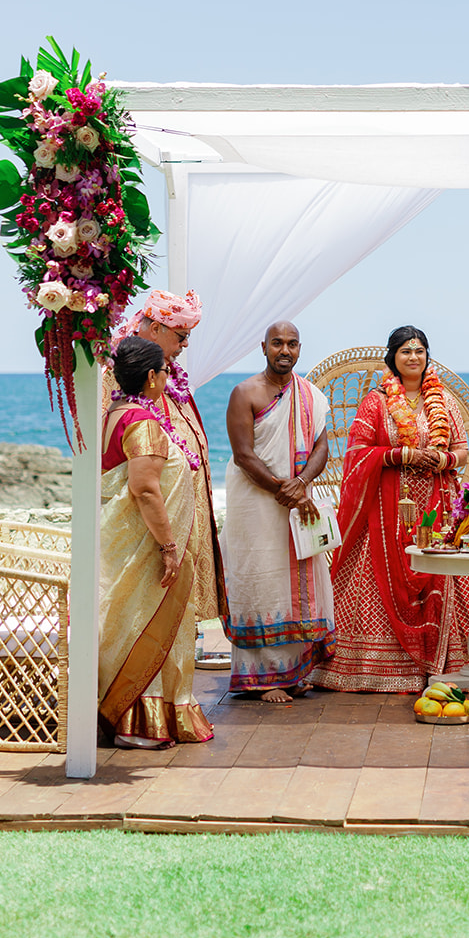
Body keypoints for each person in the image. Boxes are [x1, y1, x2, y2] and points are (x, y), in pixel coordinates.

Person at [311, 325, 469, 692]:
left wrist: (441, 460)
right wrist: (401, 454)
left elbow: (461, 449)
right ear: (392, 357)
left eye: (420, 351)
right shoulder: (376, 402)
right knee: (378, 579)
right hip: (386, 509)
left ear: (427, 357)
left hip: (438, 504)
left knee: (446, 572)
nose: (413, 357)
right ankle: (378, 667)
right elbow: (357, 454)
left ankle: (454, 661)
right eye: (406, 351)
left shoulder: (444, 401)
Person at [98, 336, 214, 746]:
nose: (168, 376)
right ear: (150, 377)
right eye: (164, 370)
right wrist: (168, 548)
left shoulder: (116, 412)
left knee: (128, 624)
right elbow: (145, 489)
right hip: (145, 546)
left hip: (128, 540)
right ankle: (137, 723)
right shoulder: (142, 423)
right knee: (145, 626)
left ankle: (139, 714)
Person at [220, 321, 334, 701]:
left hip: (297, 502)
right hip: (255, 504)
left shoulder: (312, 395)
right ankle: (264, 678)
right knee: (261, 579)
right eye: (277, 343)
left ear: (300, 348)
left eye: (292, 344)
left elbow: (322, 448)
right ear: (264, 347)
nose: (285, 350)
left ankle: (293, 670)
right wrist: (284, 489)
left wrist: (301, 486)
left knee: (298, 579)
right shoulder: (245, 392)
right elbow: (243, 455)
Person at [113, 289, 226, 646]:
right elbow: (129, 458)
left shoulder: (167, 374)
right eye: (182, 336)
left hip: (176, 512)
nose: (187, 345)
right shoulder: (122, 372)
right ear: (157, 328)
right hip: (150, 520)